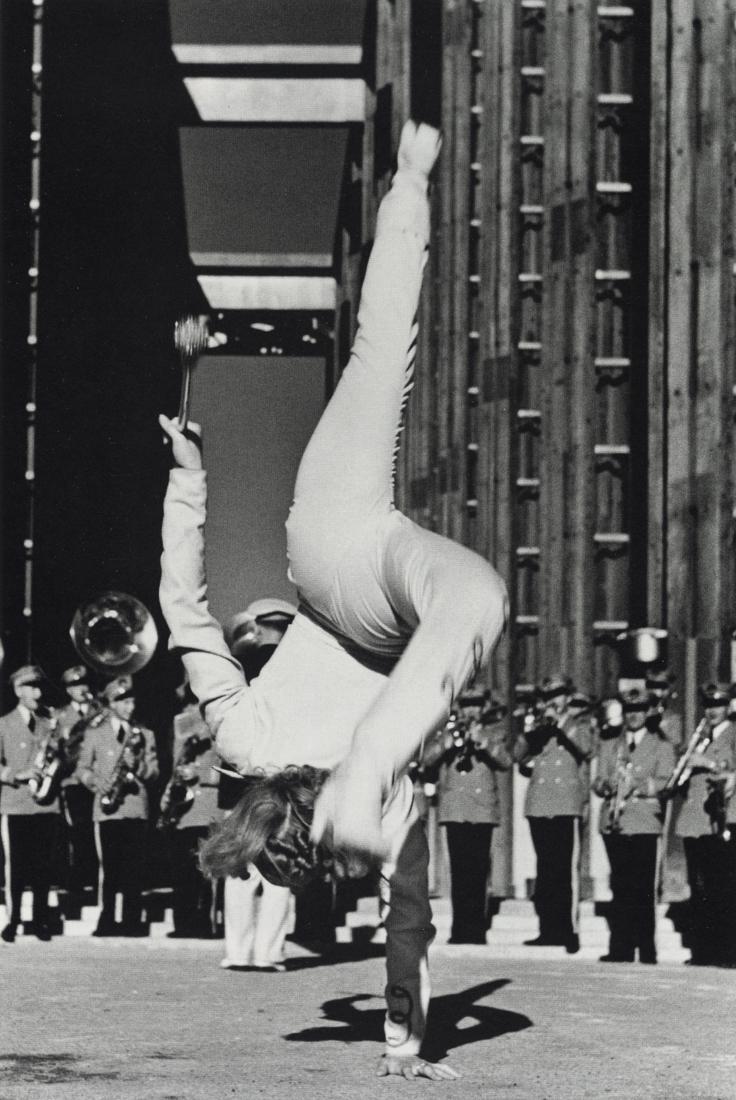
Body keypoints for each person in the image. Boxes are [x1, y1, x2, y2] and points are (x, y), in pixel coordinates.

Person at [158, 120, 506, 1079]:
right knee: (473, 590)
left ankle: (409, 181)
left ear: (280, 814)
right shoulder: (374, 809)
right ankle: (411, 179)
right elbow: (409, 921)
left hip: (336, 563)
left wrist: (190, 476)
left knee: (380, 358)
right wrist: (403, 1040)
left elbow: (185, 610)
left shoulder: (250, 742)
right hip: (385, 585)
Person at [219, 600, 295, 970]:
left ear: (258, 628)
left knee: (240, 871)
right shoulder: (302, 673)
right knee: (280, 871)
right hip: (284, 782)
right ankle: (270, 953)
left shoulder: (239, 668)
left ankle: (237, 951)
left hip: (241, 785)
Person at [593, 688, 675, 964]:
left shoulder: (660, 744)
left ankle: (646, 949)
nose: (634, 716)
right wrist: (606, 786)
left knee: (642, 889)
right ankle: (621, 948)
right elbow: (599, 781)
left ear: (647, 713)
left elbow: (666, 782)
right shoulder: (610, 744)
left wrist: (635, 786)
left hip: (643, 822)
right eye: (629, 711)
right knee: (620, 885)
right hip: (615, 822)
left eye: (639, 711)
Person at [422, 691, 510, 944]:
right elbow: (427, 760)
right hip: (455, 810)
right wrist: (448, 742)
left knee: (479, 871)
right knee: (458, 873)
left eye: (476, 705)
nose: (471, 711)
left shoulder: (493, 731)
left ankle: (476, 930)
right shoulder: (447, 731)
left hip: (482, 810)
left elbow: (505, 760)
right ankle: (459, 929)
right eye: (467, 705)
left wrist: (481, 740)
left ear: (483, 708)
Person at [514, 674, 594, 954]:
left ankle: (569, 930)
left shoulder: (580, 720)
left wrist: (560, 723)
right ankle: (547, 929)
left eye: (558, 695)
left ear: (567, 696)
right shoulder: (538, 724)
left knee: (565, 870)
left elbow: (585, 747)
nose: (553, 701)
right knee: (546, 869)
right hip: (539, 804)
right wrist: (531, 731)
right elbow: (518, 756)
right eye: (548, 696)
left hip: (566, 804)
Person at [77, 675, 159, 936]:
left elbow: (155, 771)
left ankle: (133, 920)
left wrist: (139, 768)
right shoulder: (94, 734)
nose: (130, 706)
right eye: (123, 702)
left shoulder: (145, 734)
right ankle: (107, 920)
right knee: (110, 869)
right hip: (107, 808)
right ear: (111, 703)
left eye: (132, 701)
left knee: (135, 867)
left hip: (135, 807)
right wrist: (95, 783)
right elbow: (82, 768)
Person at [673, 682, 736, 967]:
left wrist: (707, 763)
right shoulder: (700, 737)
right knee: (698, 887)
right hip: (694, 820)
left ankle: (725, 951)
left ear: (728, 707)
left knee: (721, 886)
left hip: (718, 819)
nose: (712, 711)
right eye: (709, 706)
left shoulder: (733, 735)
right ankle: (703, 950)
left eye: (718, 705)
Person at [0, 665, 62, 942]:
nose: (38, 693)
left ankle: (39, 921)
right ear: (18, 690)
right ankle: (13, 921)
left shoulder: (49, 722)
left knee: (43, 866)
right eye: (32, 687)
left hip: (46, 804)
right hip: (15, 805)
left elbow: (62, 760)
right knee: (17, 867)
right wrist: (16, 774)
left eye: (39, 687)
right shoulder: (3, 724)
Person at [164, 687, 221, 937]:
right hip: (185, 811)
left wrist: (201, 774)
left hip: (209, 808)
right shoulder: (181, 726)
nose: (191, 709)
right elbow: (176, 762)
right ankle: (182, 923)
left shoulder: (220, 727)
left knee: (207, 872)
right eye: (188, 703)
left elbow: (228, 769)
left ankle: (205, 922)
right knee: (183, 871)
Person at [56, 664, 99, 899]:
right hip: (72, 780)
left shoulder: (99, 711)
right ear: (68, 690)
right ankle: (75, 879)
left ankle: (93, 877)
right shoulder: (61, 716)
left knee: (94, 830)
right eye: (75, 685)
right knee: (77, 831)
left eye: (83, 684)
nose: (81, 689)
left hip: (96, 779)